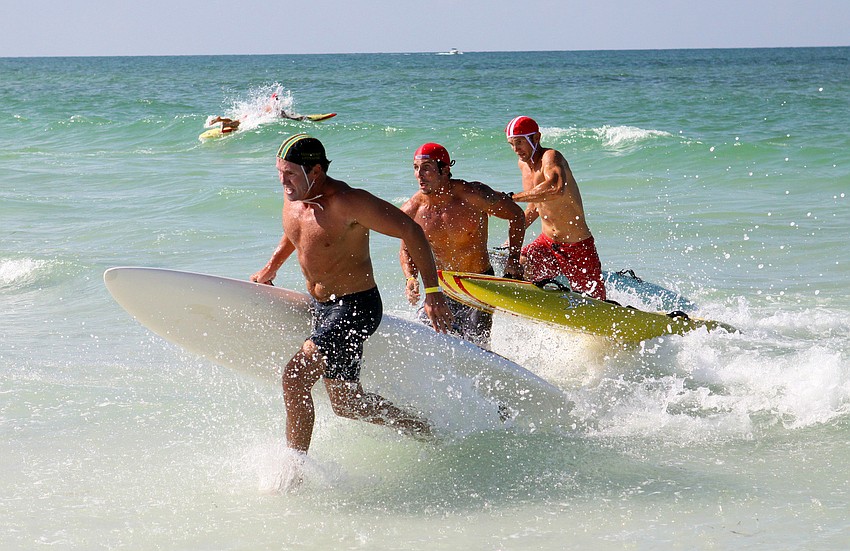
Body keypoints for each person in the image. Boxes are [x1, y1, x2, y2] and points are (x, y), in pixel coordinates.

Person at [250, 133, 453, 460]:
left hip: (355, 307)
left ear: (315, 171)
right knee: (348, 404)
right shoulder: (294, 198)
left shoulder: (348, 202)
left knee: (294, 377)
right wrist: (269, 268)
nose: (282, 181)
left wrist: (432, 292)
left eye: (289, 173)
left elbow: (411, 230)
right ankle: (425, 430)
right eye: (279, 172)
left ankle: (293, 470)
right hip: (322, 308)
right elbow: (297, 232)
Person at [399, 143, 525, 347]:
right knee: (427, 344)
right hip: (443, 288)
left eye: (427, 167)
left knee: (477, 350)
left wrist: (513, 258)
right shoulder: (414, 210)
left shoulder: (475, 196)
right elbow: (406, 248)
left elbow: (517, 215)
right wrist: (410, 278)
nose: (419, 175)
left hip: (479, 286)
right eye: (415, 168)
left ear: (445, 169)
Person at [504, 116, 606, 300]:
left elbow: (555, 188)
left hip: (577, 246)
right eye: (511, 144)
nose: (515, 149)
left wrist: (512, 197)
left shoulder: (550, 157)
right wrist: (512, 238)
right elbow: (535, 204)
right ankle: (539, 306)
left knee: (595, 301)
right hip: (547, 243)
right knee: (521, 263)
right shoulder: (524, 166)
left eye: (519, 143)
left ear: (536, 138)